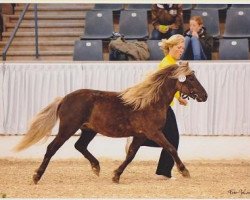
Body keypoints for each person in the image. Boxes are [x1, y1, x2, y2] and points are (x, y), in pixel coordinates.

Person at [125, 34, 187, 179]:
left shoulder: (172, 63)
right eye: (179, 47)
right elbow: (167, 87)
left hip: (164, 107)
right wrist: (178, 98)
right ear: (170, 47)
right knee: (172, 139)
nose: (181, 50)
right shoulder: (167, 64)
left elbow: (173, 86)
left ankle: (139, 142)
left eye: (183, 48)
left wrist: (178, 98)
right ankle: (163, 172)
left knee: (168, 139)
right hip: (162, 108)